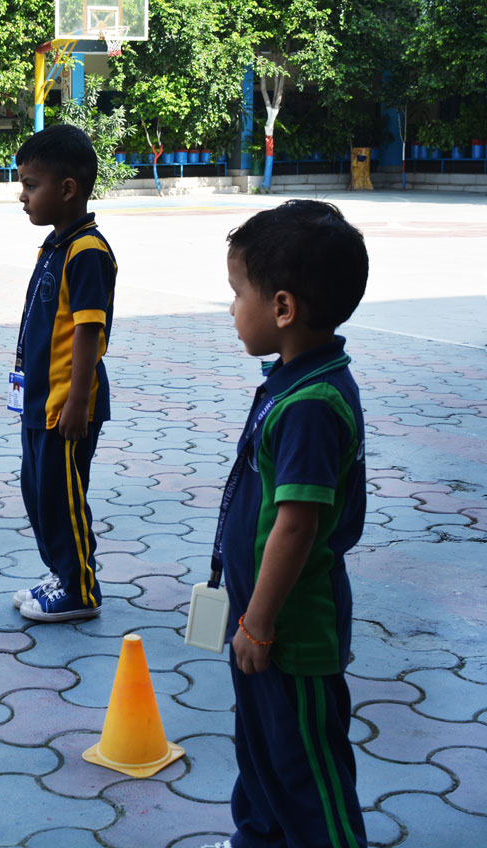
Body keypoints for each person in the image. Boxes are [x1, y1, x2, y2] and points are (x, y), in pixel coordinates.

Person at [201, 200, 369, 848]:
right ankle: (259, 838)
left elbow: (296, 527)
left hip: (289, 632)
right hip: (260, 620)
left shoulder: (312, 404)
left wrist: (259, 623)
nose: (231, 309)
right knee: (260, 749)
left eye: (236, 293)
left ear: (282, 308)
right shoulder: (292, 381)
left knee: (306, 769)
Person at [8, 125, 117, 624]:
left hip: (65, 405)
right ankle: (60, 573)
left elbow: (89, 330)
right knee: (38, 492)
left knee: (64, 497)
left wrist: (77, 401)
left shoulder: (87, 250)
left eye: (31, 185)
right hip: (39, 400)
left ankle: (80, 589)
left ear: (68, 188)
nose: (23, 196)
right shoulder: (54, 246)